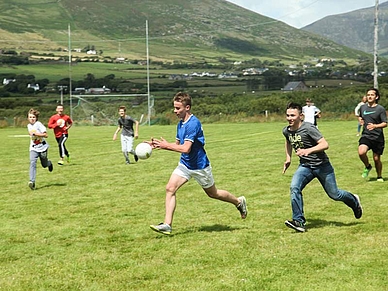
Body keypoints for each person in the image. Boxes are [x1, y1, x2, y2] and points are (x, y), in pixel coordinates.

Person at [148, 92, 247, 235]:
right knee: (170, 188)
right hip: (185, 165)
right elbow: (177, 145)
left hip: (200, 166)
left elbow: (186, 149)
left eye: (178, 108)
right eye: (174, 108)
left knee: (213, 193)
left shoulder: (193, 124)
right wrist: (158, 144)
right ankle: (167, 225)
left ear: (187, 107)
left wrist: (165, 146)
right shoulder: (180, 124)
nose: (175, 111)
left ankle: (238, 202)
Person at [282, 102, 362, 233]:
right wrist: (288, 158)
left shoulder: (309, 128)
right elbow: (288, 140)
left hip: (322, 166)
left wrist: (308, 151)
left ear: (300, 116)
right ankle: (299, 222)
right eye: (287, 115)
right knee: (294, 187)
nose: (289, 118)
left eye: (292, 115)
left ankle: (354, 200)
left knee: (335, 194)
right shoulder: (286, 130)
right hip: (305, 166)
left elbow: (325, 144)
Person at [358, 88, 387, 182]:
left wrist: (375, 126)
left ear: (376, 97)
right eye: (368, 95)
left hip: (377, 137)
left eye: (372, 95)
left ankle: (379, 176)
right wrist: (361, 120)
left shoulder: (380, 109)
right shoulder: (363, 107)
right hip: (366, 135)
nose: (369, 96)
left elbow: (385, 123)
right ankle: (367, 166)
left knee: (376, 159)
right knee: (361, 152)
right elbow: (360, 116)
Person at [27, 108, 54, 190]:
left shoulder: (39, 124)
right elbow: (30, 133)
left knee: (44, 164)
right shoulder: (28, 126)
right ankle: (32, 181)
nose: (32, 119)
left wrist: (37, 133)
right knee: (32, 162)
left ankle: (49, 163)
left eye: (33, 117)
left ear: (36, 118)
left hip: (42, 147)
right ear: (28, 118)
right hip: (33, 148)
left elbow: (46, 135)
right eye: (30, 117)